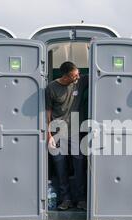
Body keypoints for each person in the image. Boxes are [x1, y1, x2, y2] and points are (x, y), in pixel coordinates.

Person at [46, 61, 88, 211]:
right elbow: (47, 112)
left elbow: (99, 75)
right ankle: (66, 199)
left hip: (76, 132)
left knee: (79, 167)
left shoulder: (80, 81)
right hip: (57, 134)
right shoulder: (51, 87)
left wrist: (93, 48)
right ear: (66, 76)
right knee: (61, 168)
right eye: (75, 75)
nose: (78, 76)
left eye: (78, 74)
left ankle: (81, 199)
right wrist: (49, 135)